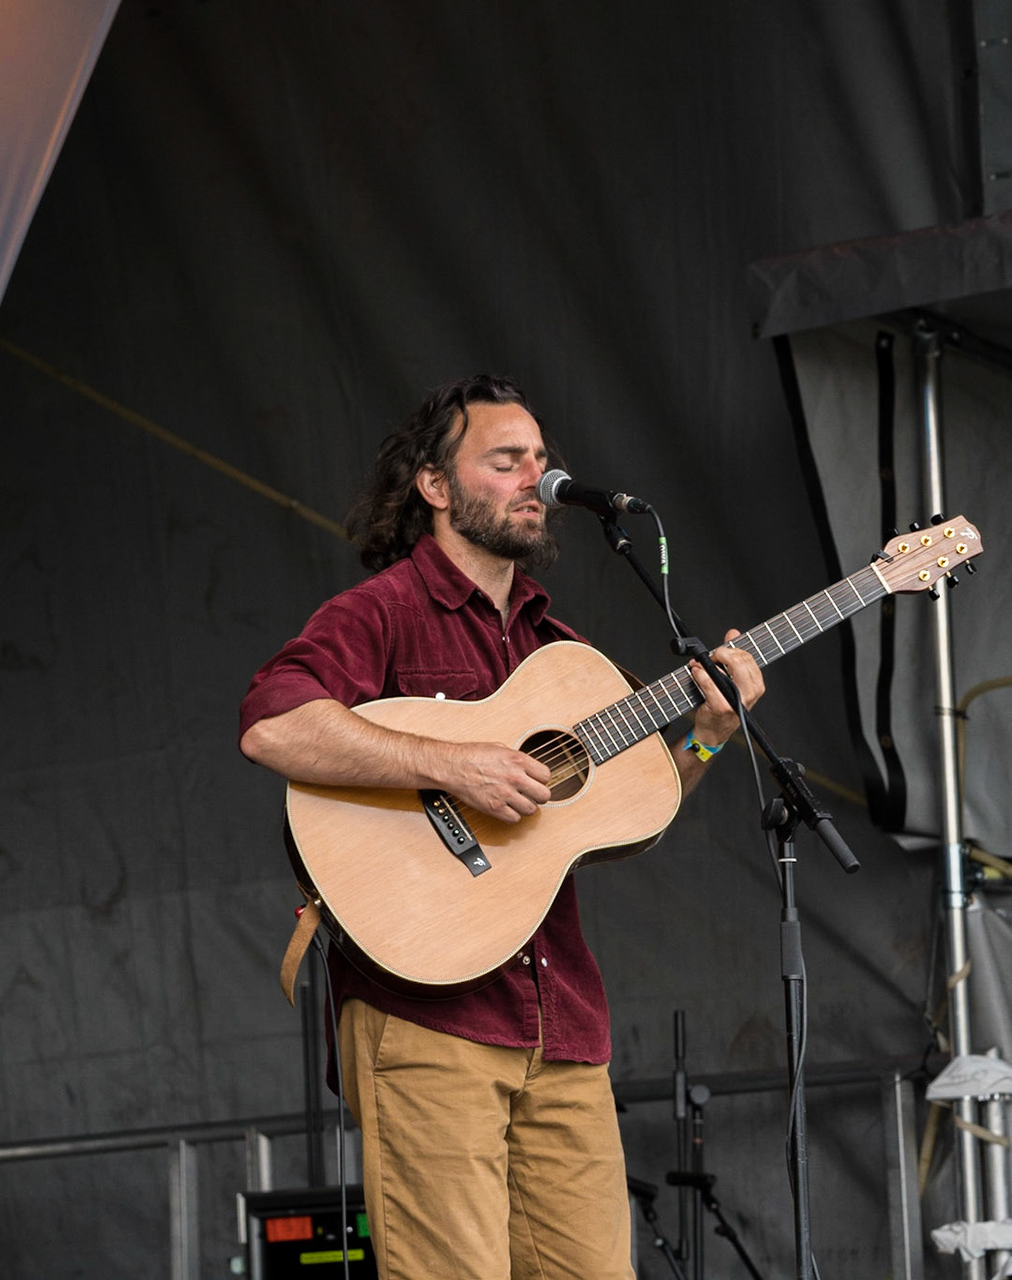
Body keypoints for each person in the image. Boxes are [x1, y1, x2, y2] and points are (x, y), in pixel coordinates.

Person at [237, 375, 763, 1279]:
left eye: (541, 459)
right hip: (425, 1017)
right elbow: (273, 725)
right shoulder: (382, 611)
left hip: (563, 1030)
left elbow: (628, 815)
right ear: (435, 486)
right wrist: (449, 764)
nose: (536, 478)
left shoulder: (562, 653)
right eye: (506, 460)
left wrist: (708, 740)